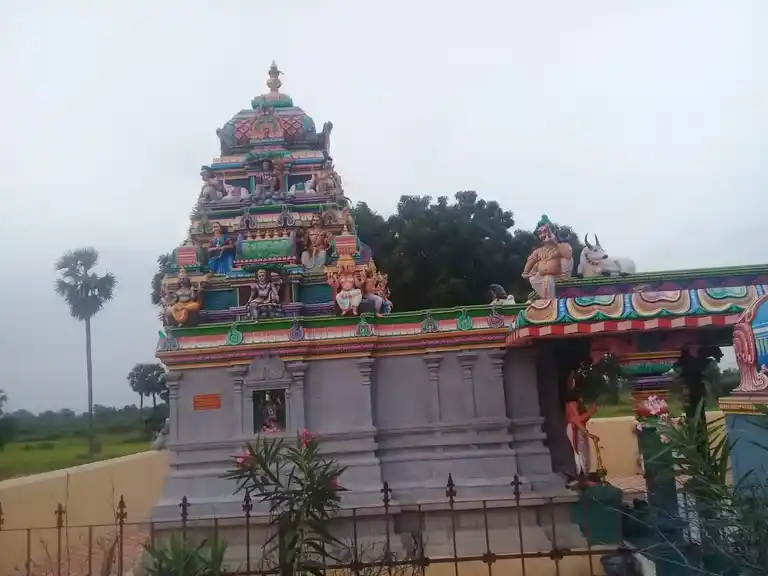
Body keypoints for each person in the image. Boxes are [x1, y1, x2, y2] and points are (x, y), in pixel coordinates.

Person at [564, 372, 598, 489]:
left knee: (583, 455)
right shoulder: (572, 402)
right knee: (578, 456)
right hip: (574, 429)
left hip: (579, 430)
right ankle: (580, 481)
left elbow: (580, 419)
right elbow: (575, 420)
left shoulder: (576, 401)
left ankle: (583, 480)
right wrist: (591, 411)